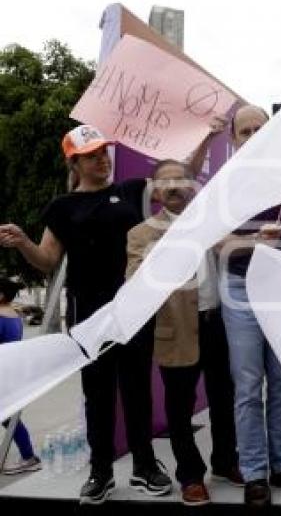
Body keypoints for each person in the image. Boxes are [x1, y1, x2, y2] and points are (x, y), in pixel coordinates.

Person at [0, 125, 172, 504]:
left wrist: (205, 141)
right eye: (92, 155)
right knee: (98, 394)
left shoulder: (128, 191)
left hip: (131, 309)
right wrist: (24, 243)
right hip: (88, 314)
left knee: (137, 390)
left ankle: (145, 466)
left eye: (103, 153)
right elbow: (46, 261)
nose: (102, 160)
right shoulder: (61, 208)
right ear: (74, 162)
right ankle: (101, 472)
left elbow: (176, 182)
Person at [126, 160, 241, 505]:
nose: (174, 186)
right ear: (155, 189)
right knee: (179, 408)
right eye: (166, 181)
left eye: (181, 179)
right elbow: (134, 282)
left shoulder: (214, 224)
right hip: (175, 331)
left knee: (225, 399)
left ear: (193, 185)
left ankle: (225, 461)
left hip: (218, 323)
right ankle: (190, 476)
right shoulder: (141, 233)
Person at [215, 104, 281, 507]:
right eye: (245, 130)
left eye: (261, 128)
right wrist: (257, 243)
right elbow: (216, 244)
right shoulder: (224, 182)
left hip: (280, 289)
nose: (254, 135)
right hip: (239, 288)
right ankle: (255, 472)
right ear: (233, 139)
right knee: (248, 386)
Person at [0, 277, 42, 476]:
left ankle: (29, 457)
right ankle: (29, 456)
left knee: (10, 419)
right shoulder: (14, 315)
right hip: (11, 372)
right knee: (11, 418)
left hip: (3, 373)